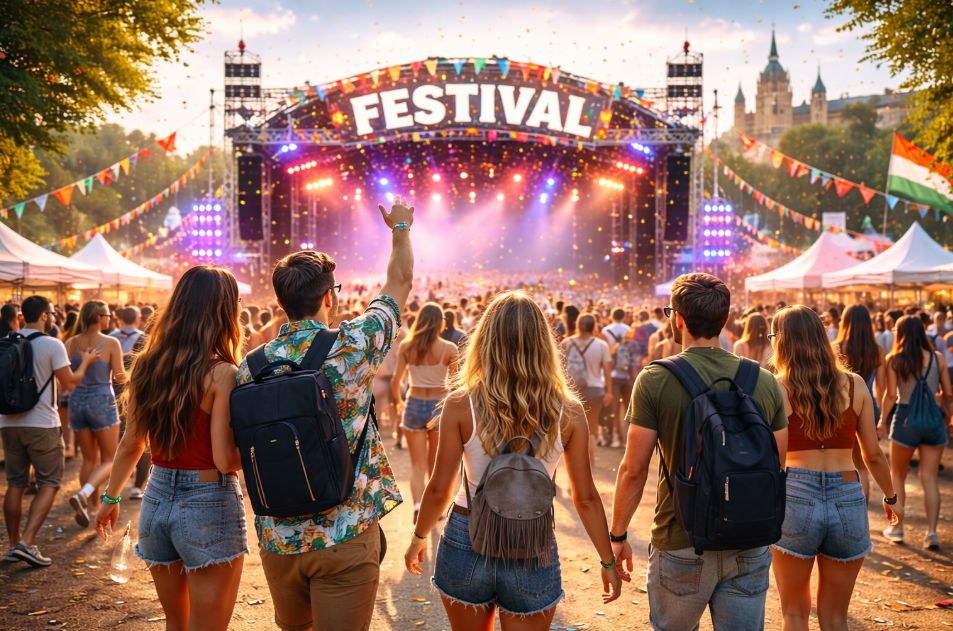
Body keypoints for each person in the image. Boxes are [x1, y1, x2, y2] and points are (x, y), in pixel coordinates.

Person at [234, 198, 413, 631]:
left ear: (281, 302)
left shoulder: (251, 367)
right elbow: (400, 281)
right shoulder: (353, 345)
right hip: (344, 529)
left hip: (279, 536)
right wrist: (401, 228)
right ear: (330, 296)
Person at [404, 291, 622, 630]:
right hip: (532, 541)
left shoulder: (461, 403)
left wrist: (418, 538)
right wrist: (607, 560)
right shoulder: (569, 411)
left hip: (466, 534)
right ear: (544, 345)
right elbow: (586, 498)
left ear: (485, 341)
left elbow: (438, 489)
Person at [610, 273, 788, 631]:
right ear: (725, 319)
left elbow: (633, 469)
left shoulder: (656, 379)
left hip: (681, 538)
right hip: (747, 539)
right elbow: (778, 464)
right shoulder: (765, 381)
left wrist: (618, 535)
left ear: (677, 319)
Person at [95, 266, 247, 631]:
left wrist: (110, 499)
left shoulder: (146, 365)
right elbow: (224, 459)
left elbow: (131, 443)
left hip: (156, 499)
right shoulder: (222, 373)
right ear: (225, 311)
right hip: (209, 501)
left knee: (176, 623)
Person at [770, 305, 900, 631]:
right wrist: (891, 497)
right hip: (847, 494)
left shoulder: (778, 387)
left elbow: (774, 457)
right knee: (836, 617)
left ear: (782, 342)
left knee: (794, 613)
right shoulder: (855, 385)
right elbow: (873, 455)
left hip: (794, 495)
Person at [2, 296, 98, 567]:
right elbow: (69, 383)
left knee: (15, 484)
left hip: (8, 422)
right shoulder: (52, 344)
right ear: (44, 316)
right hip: (42, 423)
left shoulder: (6, 341)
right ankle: (27, 543)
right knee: (50, 482)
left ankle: (13, 545)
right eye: (52, 313)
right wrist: (86, 362)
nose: (54, 317)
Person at [879, 315, 953, 549]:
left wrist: (882, 421)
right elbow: (948, 393)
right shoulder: (937, 358)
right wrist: (949, 417)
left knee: (897, 476)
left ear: (900, 334)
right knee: (929, 478)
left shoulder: (894, 360)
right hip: (933, 421)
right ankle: (931, 533)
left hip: (905, 421)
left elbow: (892, 395)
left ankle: (897, 528)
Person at [391, 302, 457, 523]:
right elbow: (456, 385)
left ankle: (418, 505)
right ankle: (434, 509)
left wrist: (399, 403)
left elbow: (396, 381)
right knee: (434, 464)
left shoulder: (407, 346)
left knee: (417, 465)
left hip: (414, 403)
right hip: (439, 406)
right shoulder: (449, 348)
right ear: (440, 323)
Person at [65, 301, 127, 528]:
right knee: (110, 460)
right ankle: (83, 494)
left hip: (77, 402)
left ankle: (90, 508)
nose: (110, 318)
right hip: (102, 402)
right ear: (99, 317)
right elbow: (120, 376)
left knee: (89, 459)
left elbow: (68, 377)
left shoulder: (71, 343)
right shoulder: (110, 342)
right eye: (108, 315)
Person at [835, 304, 887, 499]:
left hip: (841, 407)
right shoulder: (877, 350)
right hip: (868, 407)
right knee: (863, 464)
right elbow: (881, 387)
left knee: (845, 462)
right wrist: (882, 418)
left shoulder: (836, 347)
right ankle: (862, 509)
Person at [109, 306, 150, 500]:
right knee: (140, 438)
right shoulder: (145, 338)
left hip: (114, 393)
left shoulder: (111, 337)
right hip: (139, 391)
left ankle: (122, 475)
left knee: (125, 437)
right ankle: (136, 485)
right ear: (138, 319)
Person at [561, 313, 612, 457]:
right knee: (592, 427)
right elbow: (607, 370)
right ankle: (590, 458)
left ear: (577, 325)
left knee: (570, 427)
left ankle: (574, 459)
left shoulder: (566, 343)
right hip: (595, 390)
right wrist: (609, 391)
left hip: (572, 391)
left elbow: (559, 368)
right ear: (594, 326)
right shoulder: (601, 345)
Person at [602, 308, 632, 449]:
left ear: (611, 316)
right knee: (629, 408)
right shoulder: (629, 330)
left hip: (612, 373)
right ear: (624, 316)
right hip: (627, 374)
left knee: (613, 409)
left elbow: (605, 355)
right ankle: (627, 439)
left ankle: (615, 437)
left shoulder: (605, 331)